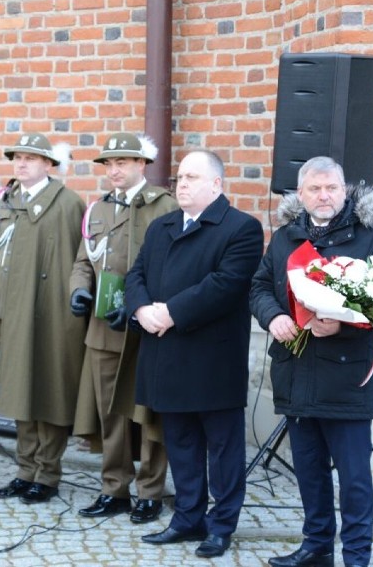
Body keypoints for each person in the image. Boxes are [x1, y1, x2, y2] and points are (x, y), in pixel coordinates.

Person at [250, 156, 373, 567]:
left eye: (331, 188)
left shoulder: (372, 237)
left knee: (353, 480)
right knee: (310, 473)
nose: (324, 196)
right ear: (300, 194)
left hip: (347, 375)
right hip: (296, 373)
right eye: (314, 189)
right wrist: (274, 315)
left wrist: (343, 325)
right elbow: (260, 285)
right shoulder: (285, 237)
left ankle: (355, 558)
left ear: (344, 190)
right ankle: (316, 548)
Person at [126, 149, 263, 558]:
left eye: (191, 177)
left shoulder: (241, 228)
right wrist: (141, 308)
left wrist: (170, 312)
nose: (181, 184)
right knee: (181, 443)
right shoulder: (161, 226)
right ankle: (187, 518)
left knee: (222, 448)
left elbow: (225, 285)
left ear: (216, 185)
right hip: (165, 353)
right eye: (179, 178)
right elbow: (136, 273)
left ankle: (221, 526)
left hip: (212, 360)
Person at [70, 133, 177, 524]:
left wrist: (139, 309)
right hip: (105, 328)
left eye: (123, 162)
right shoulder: (98, 209)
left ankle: (150, 492)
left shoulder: (164, 206)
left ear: (142, 164)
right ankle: (113, 488)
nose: (114, 170)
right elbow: (84, 260)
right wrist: (79, 291)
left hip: (148, 327)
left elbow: (170, 268)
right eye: (108, 164)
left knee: (147, 412)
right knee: (110, 412)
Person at [0, 133, 87, 505]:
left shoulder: (68, 203)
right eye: (17, 157)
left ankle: (48, 473)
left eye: (31, 157)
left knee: (49, 390)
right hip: (10, 310)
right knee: (19, 390)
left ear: (48, 164)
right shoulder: (4, 201)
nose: (21, 163)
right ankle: (25, 470)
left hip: (52, 313)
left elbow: (80, 262)